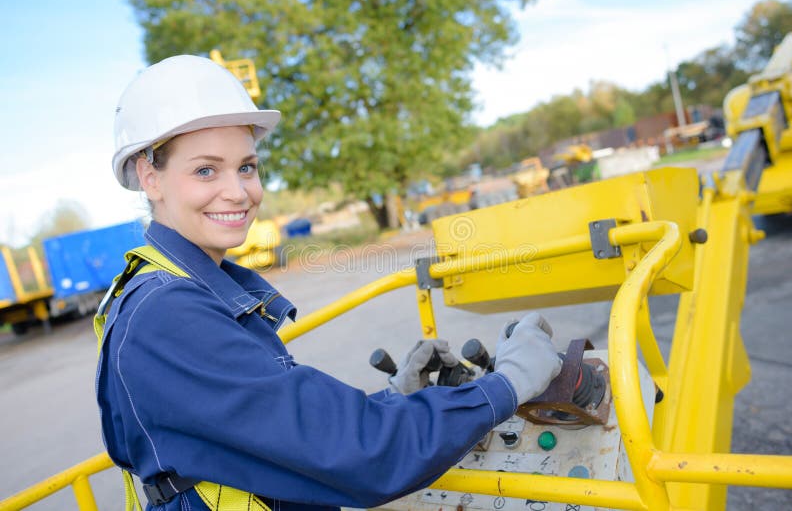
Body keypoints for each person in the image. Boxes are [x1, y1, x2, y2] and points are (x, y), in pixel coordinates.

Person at [96, 55, 563, 511]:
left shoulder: (176, 290)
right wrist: (507, 384)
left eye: (247, 166)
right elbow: (359, 455)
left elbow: (279, 434)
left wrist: (393, 400)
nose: (238, 192)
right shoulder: (167, 314)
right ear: (149, 176)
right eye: (205, 170)